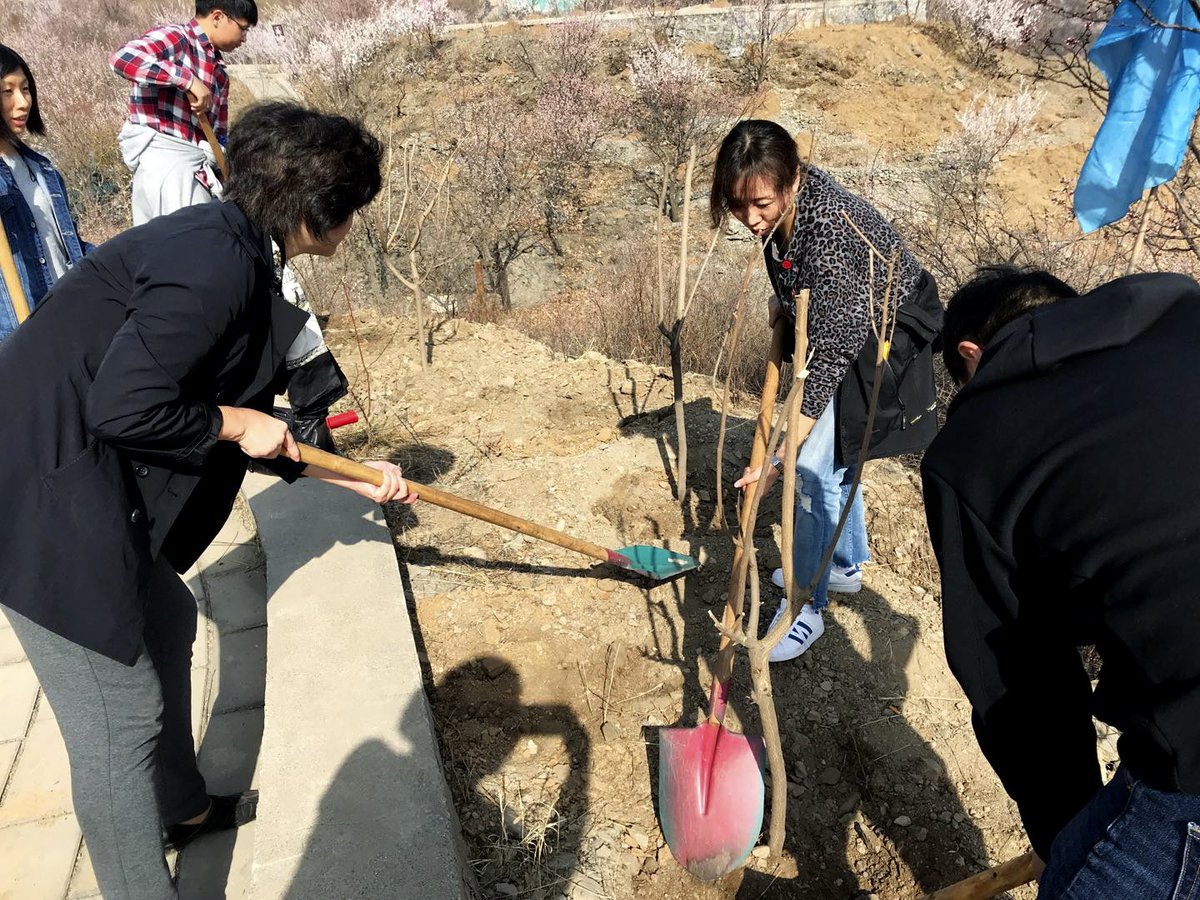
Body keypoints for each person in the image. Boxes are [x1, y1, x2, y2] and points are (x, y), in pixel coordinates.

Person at [0, 102, 416, 900]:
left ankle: (183, 809)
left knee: (169, 616)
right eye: (353, 208)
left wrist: (356, 472)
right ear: (314, 211)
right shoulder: (215, 261)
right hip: (35, 496)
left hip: (76, 475)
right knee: (118, 719)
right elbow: (127, 407)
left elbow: (252, 422)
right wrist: (236, 421)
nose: (353, 225)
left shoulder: (236, 246)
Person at [922, 265, 1200, 898]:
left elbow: (1021, 679)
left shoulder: (974, 445)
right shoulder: (1184, 322)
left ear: (972, 354)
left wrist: (1054, 829)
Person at [712, 119, 941, 662]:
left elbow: (834, 351)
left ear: (793, 179)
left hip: (881, 336)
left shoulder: (833, 229)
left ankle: (804, 606)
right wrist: (786, 300)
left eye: (761, 203)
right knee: (828, 458)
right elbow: (794, 270)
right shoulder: (780, 216)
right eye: (739, 205)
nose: (750, 218)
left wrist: (779, 456)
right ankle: (840, 567)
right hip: (843, 326)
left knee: (811, 469)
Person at [110, 0, 255, 224]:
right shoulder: (178, 38)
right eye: (243, 28)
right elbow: (124, 58)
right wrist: (187, 80)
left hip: (197, 169)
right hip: (164, 165)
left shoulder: (220, 75)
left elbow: (218, 134)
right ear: (217, 17)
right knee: (181, 247)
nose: (245, 38)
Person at [0, 43, 90, 342]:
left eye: (25, 89)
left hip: (66, 316)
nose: (23, 102)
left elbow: (66, 245)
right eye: (7, 91)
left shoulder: (41, 167)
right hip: (18, 335)